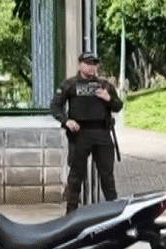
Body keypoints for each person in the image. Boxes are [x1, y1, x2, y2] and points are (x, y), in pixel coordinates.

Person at [52, 52, 124, 214]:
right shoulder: (70, 84)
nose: (91, 67)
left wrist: (109, 99)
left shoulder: (104, 85)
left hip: (102, 134)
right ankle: (71, 214)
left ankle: (114, 211)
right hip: (79, 135)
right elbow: (55, 106)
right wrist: (66, 121)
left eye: (94, 64)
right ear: (80, 65)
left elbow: (118, 106)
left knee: (107, 176)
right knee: (76, 176)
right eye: (87, 63)